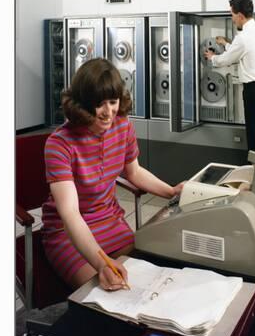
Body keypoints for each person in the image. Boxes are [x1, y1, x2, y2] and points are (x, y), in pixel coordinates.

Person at [42, 58, 184, 292]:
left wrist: (171, 191)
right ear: (82, 104)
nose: (108, 112)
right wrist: (101, 263)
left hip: (110, 221)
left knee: (147, 281)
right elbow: (70, 215)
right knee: (102, 292)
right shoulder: (59, 144)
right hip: (67, 234)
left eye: (113, 101)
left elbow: (134, 172)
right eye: (99, 104)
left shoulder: (123, 125)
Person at [204, 0, 255, 153]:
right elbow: (245, 53)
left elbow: (225, 60)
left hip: (253, 93)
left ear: (241, 15)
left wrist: (213, 57)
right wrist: (227, 44)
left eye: (232, 14)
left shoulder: (243, 38)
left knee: (254, 137)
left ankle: (254, 173)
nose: (232, 18)